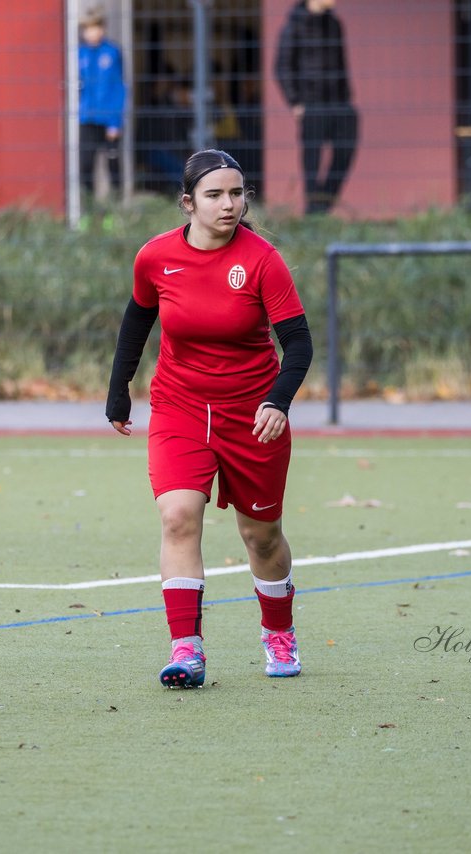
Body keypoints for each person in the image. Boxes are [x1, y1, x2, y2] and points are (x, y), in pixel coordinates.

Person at [106, 149, 314, 688]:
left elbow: (297, 344)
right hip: (179, 405)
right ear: (188, 203)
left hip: (253, 414)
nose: (230, 204)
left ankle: (279, 632)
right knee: (178, 516)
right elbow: (137, 323)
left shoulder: (263, 260)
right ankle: (186, 651)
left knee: (261, 536)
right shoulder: (155, 257)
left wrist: (277, 401)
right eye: (216, 195)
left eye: (238, 193)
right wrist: (119, 392)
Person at [274, 0, 358, 215]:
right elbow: (282, 66)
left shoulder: (334, 24)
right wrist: (296, 103)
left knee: (345, 149)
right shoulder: (294, 25)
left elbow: (342, 63)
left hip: (338, 102)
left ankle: (323, 203)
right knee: (312, 160)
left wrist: (347, 97)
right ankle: (314, 212)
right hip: (311, 104)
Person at [79, 6, 127, 203]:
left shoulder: (112, 53)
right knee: (86, 165)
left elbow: (119, 88)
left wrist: (115, 122)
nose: (92, 33)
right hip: (87, 118)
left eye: (96, 27)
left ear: (103, 29)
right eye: (88, 28)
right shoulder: (78, 54)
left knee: (113, 164)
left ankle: (115, 210)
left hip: (108, 120)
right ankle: (88, 207)